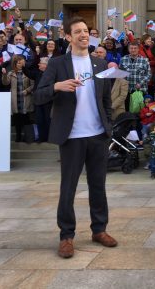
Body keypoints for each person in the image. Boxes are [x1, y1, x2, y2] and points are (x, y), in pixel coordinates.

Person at [34, 16, 117, 259]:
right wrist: (57, 87)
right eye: (78, 31)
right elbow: (40, 96)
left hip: (97, 136)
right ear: (68, 36)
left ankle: (99, 230)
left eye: (86, 31)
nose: (83, 34)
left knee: (98, 186)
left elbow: (106, 100)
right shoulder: (57, 64)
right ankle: (66, 236)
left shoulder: (100, 64)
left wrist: (108, 127)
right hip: (71, 137)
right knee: (68, 188)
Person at [2, 55, 34, 142]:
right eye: (17, 63)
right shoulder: (11, 73)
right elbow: (5, 83)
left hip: (25, 98)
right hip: (15, 99)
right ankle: (18, 137)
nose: (19, 64)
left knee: (26, 118)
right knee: (17, 119)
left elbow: (33, 85)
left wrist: (27, 91)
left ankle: (28, 138)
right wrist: (4, 74)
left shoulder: (28, 72)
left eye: (21, 62)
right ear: (14, 64)